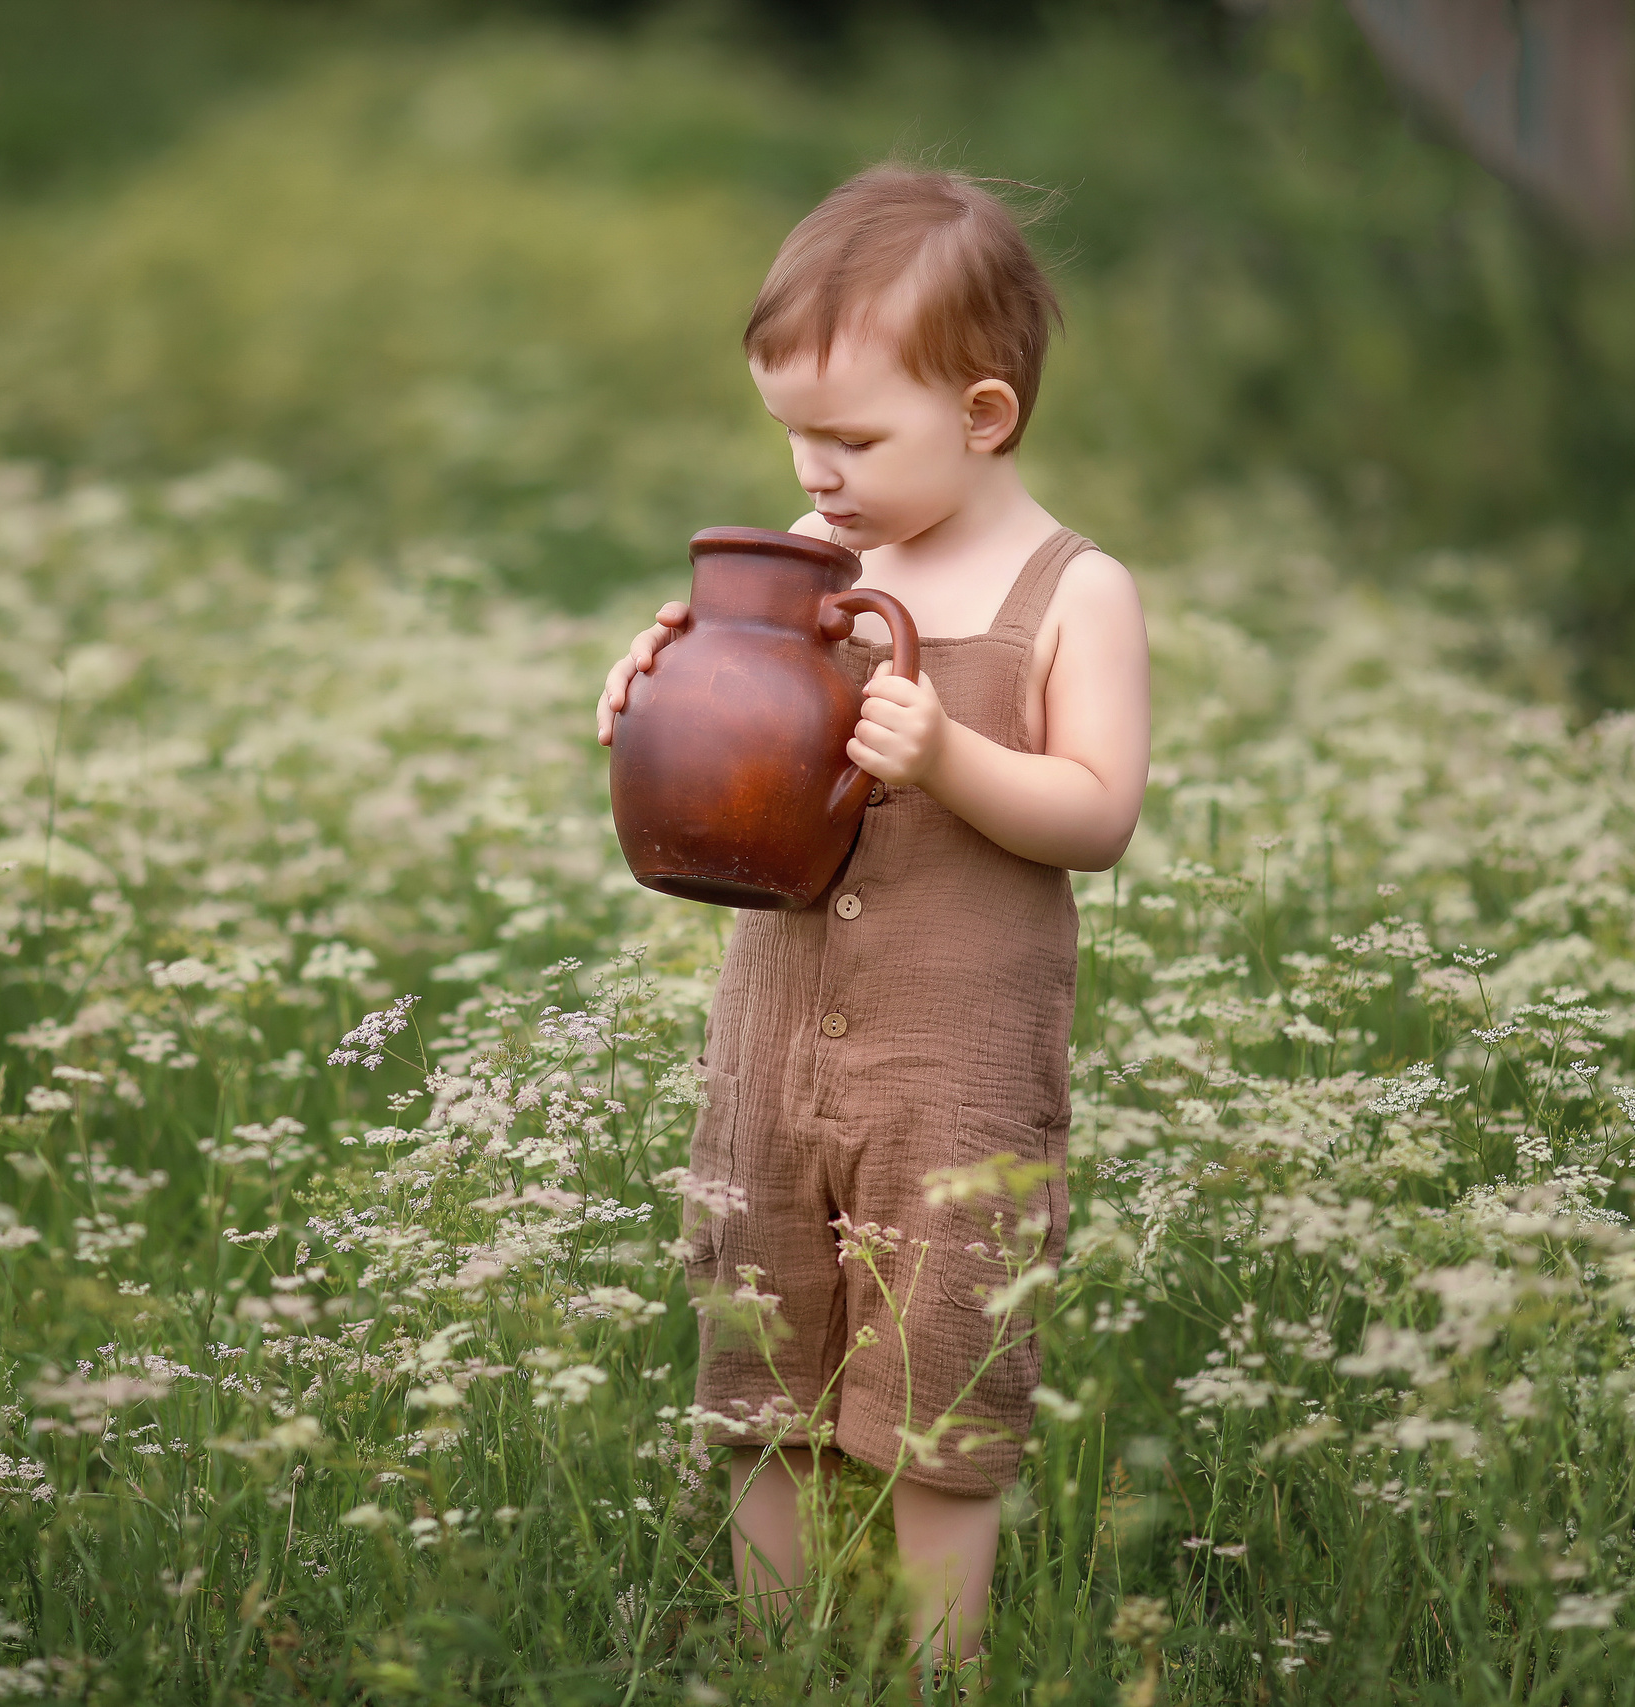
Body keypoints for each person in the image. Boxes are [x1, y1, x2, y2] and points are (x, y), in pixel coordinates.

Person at [595, 163, 1151, 1689]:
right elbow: (731, 699)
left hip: (952, 1066)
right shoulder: (816, 556)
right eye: (793, 430)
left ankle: (935, 1667)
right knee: (760, 1347)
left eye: (852, 438)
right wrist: (655, 677)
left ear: (983, 416)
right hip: (775, 1038)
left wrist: (950, 756)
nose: (815, 472)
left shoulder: (1071, 592)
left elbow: (1097, 815)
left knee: (939, 1372)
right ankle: (775, 1650)